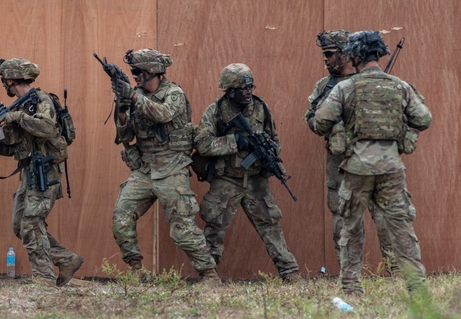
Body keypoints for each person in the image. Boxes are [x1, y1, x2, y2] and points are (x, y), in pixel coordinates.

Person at [312, 30, 432, 298]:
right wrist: (404, 136)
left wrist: (342, 126)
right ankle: (416, 287)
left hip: (356, 167)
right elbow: (423, 119)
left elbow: (321, 121)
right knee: (401, 225)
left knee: (351, 226)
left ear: (353, 56)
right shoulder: (399, 85)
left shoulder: (345, 88)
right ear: (379, 54)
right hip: (391, 167)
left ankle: (352, 287)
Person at [109, 48, 220, 285]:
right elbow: (125, 134)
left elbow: (163, 114)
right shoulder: (134, 95)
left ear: (153, 71)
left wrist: (135, 98)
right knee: (121, 217)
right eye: (132, 72)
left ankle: (209, 275)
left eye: (138, 71)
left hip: (172, 168)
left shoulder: (174, 93)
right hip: (146, 169)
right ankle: (136, 270)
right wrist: (121, 109)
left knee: (181, 228)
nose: (135, 76)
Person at [194, 63, 301, 282]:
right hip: (227, 180)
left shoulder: (261, 108)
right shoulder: (216, 111)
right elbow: (202, 144)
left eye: (250, 87)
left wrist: (268, 153)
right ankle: (210, 276)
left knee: (270, 226)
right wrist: (237, 141)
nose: (248, 92)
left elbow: (275, 139)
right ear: (230, 90)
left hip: (255, 180)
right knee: (214, 229)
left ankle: (290, 274)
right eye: (243, 88)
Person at [0, 57, 84, 287]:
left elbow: (48, 128)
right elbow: (11, 148)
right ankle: (67, 259)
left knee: (31, 222)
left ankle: (44, 277)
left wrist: (16, 117)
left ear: (11, 79)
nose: (3, 85)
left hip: (45, 169)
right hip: (28, 171)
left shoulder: (41, 100)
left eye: (4, 81)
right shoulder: (19, 107)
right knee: (20, 224)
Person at [306, 30, 398, 274]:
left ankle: (396, 272)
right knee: (343, 220)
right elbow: (312, 120)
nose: (325, 60)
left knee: (385, 217)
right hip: (340, 162)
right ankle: (350, 275)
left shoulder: (369, 80)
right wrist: (335, 125)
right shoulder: (324, 86)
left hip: (374, 159)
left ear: (346, 54)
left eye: (330, 54)